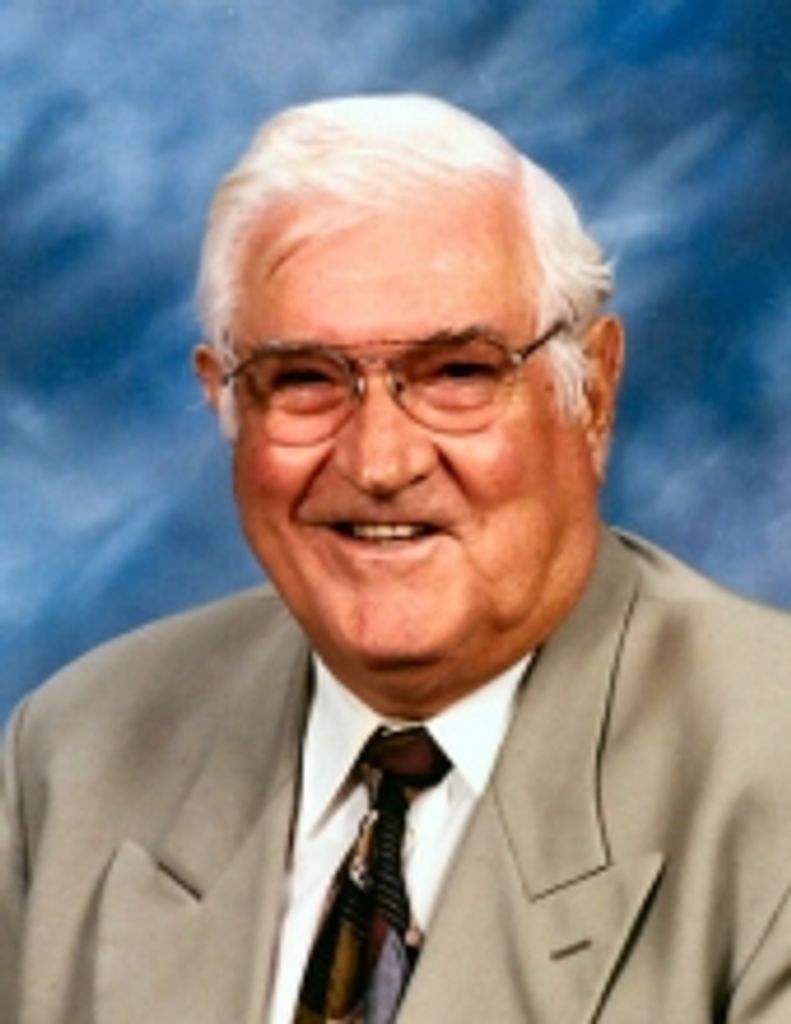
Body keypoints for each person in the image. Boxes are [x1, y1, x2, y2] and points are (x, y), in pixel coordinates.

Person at [2, 94, 791, 1024]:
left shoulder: (768, 770)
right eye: (304, 380)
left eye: (458, 373)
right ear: (224, 400)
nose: (379, 463)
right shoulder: (73, 755)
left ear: (592, 393)